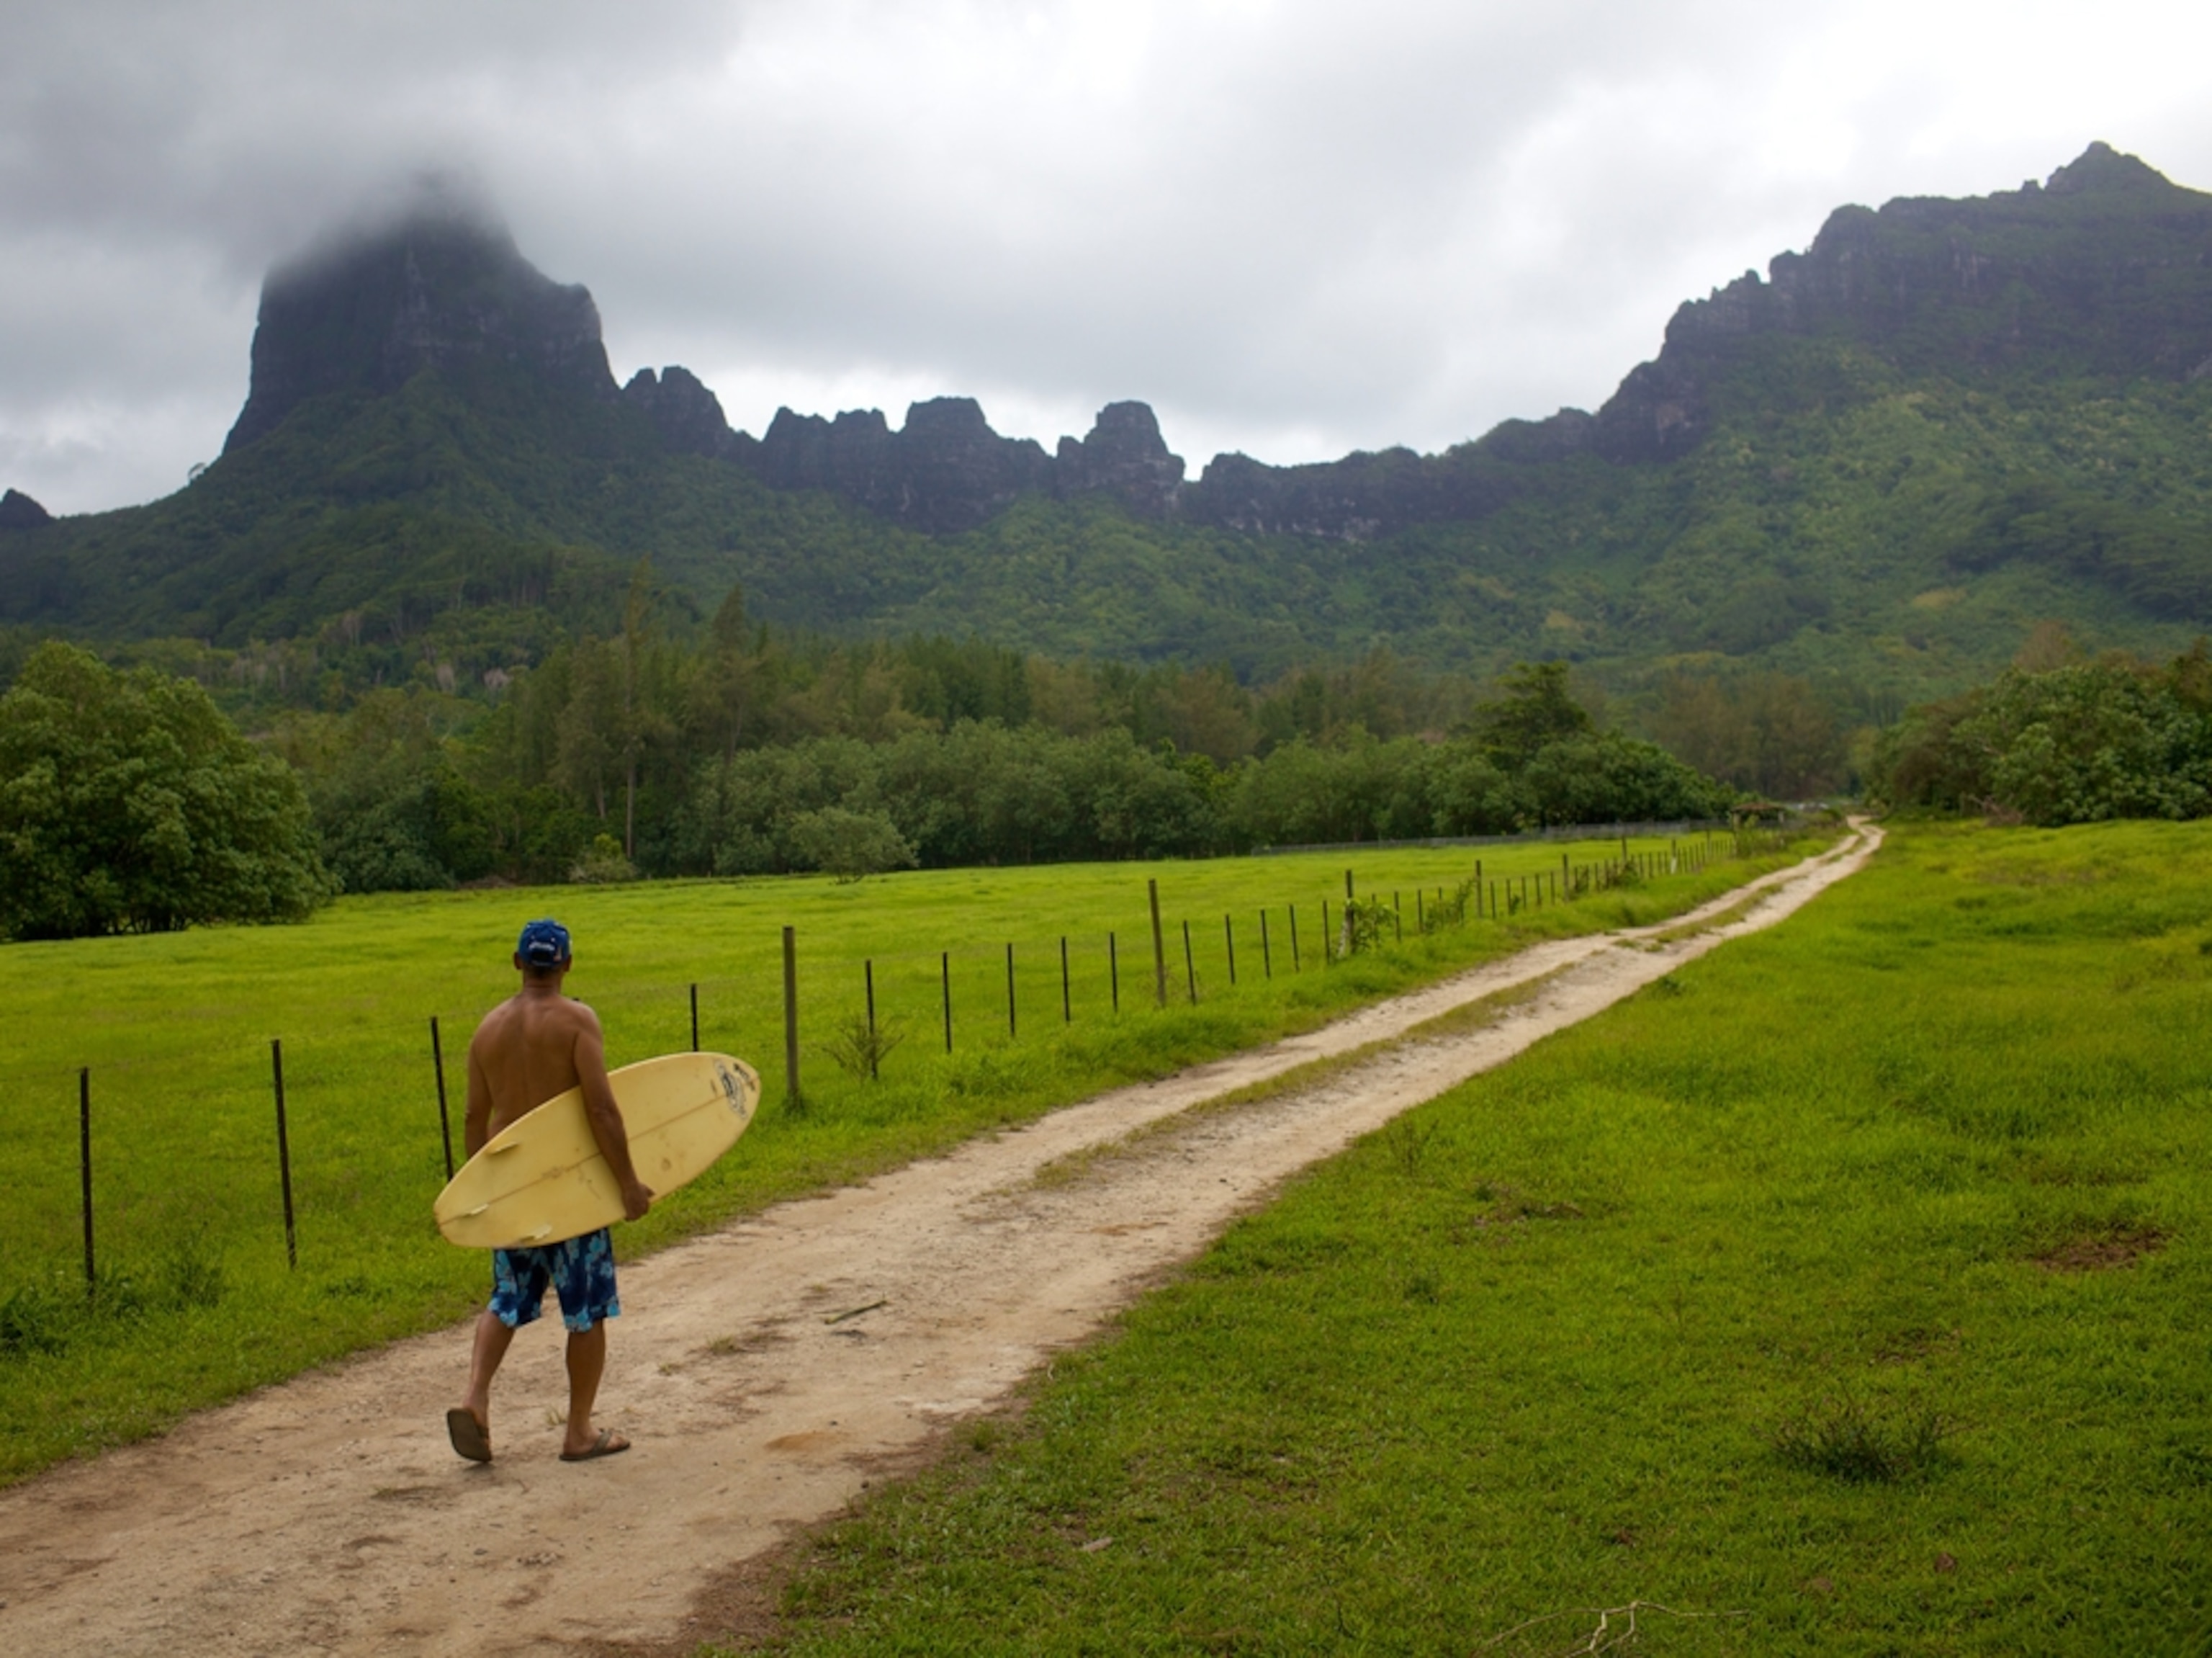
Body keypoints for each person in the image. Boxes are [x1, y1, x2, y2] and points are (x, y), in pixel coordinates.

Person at [446, 918, 653, 1465]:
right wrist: (629, 1185)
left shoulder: (487, 1030)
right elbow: (602, 1109)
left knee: (508, 1298)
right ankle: (579, 1431)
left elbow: (474, 1116)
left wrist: (480, 1189)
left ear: (517, 964)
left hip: (513, 1191)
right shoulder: (576, 1021)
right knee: (585, 1309)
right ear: (566, 965)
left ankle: (474, 1398)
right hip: (571, 1192)